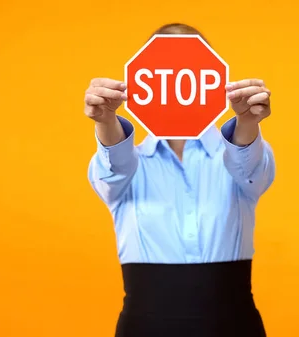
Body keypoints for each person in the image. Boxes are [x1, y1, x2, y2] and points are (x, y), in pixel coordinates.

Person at [85, 23, 275, 337]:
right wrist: (105, 120)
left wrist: (247, 120)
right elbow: (114, 167)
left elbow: (248, 165)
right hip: (143, 328)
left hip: (235, 326)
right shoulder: (127, 165)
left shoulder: (238, 157)